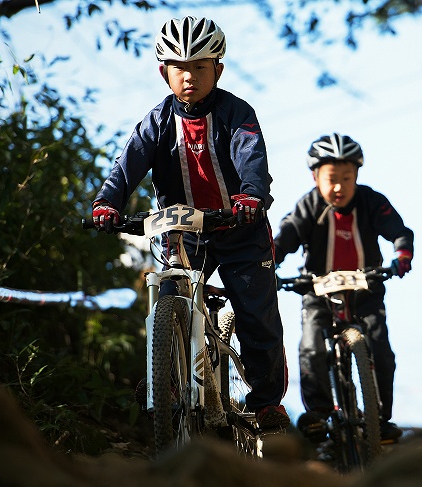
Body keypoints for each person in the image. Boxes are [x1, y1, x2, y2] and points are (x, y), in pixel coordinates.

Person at [91, 16, 290, 430]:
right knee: (168, 294)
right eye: (179, 68)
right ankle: (171, 388)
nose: (189, 76)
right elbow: (125, 166)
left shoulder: (238, 113)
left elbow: (252, 160)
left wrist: (251, 197)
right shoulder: (157, 121)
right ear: (164, 73)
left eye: (200, 66)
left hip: (239, 229)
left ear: (218, 69)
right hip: (180, 232)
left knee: (256, 315)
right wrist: (107, 203)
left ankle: (267, 401)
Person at [273, 133, 414, 443]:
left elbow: (399, 232)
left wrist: (402, 255)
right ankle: (319, 416)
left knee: (380, 347)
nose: (339, 186)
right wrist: (268, 264)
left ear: (357, 176)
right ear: (315, 177)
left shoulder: (372, 202)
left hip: (366, 291)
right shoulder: (309, 205)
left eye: (347, 178)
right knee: (311, 346)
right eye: (331, 179)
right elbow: (284, 238)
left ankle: (380, 418)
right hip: (317, 293)